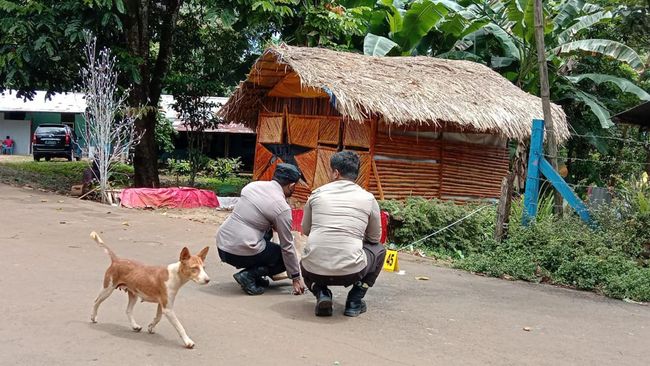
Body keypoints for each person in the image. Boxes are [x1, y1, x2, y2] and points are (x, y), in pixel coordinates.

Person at [301, 150, 386, 317]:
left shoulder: (316, 195)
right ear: (355, 173)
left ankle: (321, 293)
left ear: (336, 173)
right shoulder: (368, 198)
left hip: (315, 270)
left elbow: (306, 230)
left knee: (305, 256)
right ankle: (354, 300)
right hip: (352, 271)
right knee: (379, 251)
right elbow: (374, 238)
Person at [216, 163, 306, 296]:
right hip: (239, 249)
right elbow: (287, 246)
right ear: (291, 185)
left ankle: (256, 275)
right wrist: (296, 277)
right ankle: (249, 275)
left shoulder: (252, 186)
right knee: (284, 257)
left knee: (266, 232)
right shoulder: (281, 207)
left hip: (222, 244)